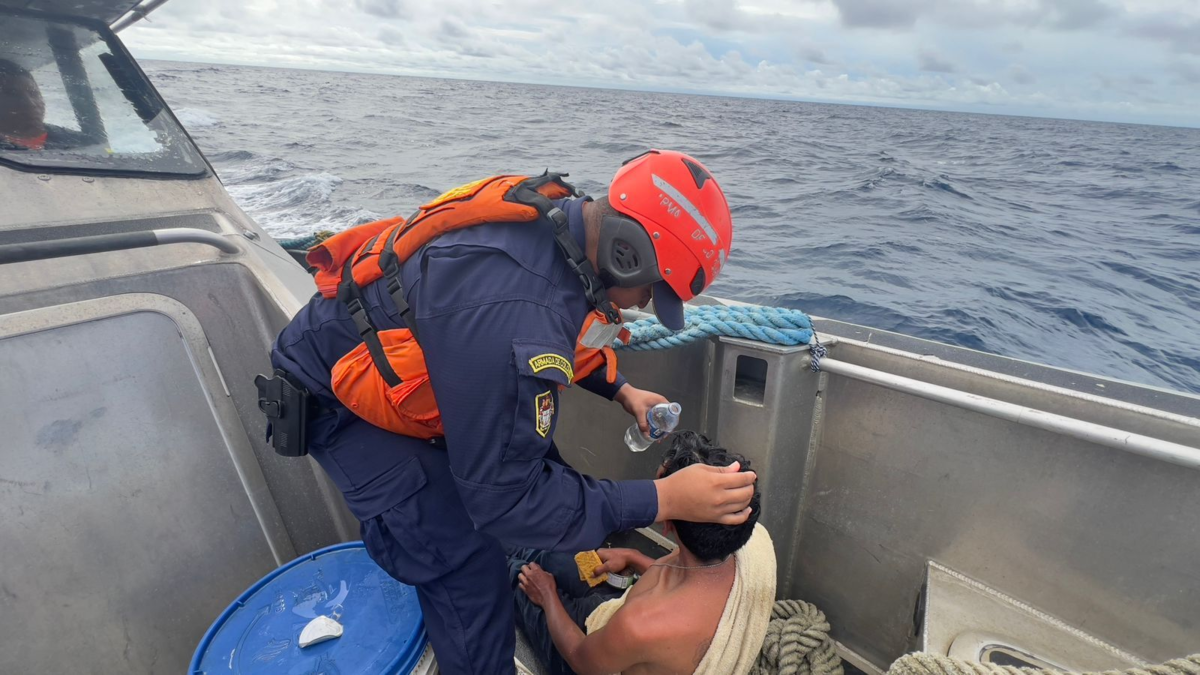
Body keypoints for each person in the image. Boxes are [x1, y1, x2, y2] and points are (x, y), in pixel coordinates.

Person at [268, 150, 753, 673]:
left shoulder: (568, 229)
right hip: (338, 397)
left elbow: (567, 320)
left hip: (422, 361)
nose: (641, 304)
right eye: (650, 291)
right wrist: (660, 499)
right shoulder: (510, 313)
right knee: (462, 559)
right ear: (626, 253)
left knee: (537, 467)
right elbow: (504, 500)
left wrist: (621, 389)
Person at [510, 431, 772, 675]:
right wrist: (634, 557)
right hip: (617, 619)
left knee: (513, 573)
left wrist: (547, 595)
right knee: (546, 555)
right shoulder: (755, 546)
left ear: (667, 525)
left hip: (590, 651)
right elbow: (687, 580)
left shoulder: (639, 625)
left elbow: (580, 659)